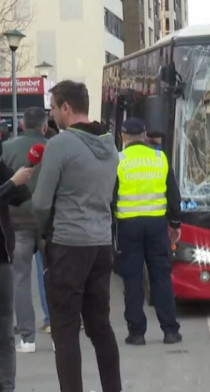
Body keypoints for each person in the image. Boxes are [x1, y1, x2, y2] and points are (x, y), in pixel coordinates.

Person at [32, 80, 122, 392]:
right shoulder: (110, 145)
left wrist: (42, 230)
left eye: (54, 108)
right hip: (100, 245)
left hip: (69, 245)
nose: (52, 115)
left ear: (66, 108)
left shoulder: (61, 144)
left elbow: (41, 202)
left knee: (66, 329)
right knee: (100, 326)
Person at [115, 118, 182, 346]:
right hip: (156, 225)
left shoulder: (118, 160)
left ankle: (137, 333)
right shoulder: (159, 158)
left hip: (128, 227)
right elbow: (173, 195)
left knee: (132, 279)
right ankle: (170, 331)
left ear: (123, 137)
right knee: (161, 277)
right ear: (144, 135)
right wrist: (175, 224)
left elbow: (112, 198)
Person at [2, 107, 50, 353]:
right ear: (45, 125)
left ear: (22, 124)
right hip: (48, 224)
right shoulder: (55, 148)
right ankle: (56, 333)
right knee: (51, 277)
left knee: (20, 280)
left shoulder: (7, 149)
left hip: (17, 222)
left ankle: (28, 339)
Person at [0, 157, 35, 390]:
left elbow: (23, 196)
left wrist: (16, 180)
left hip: (2, 258)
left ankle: (7, 385)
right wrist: (11, 183)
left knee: (4, 330)